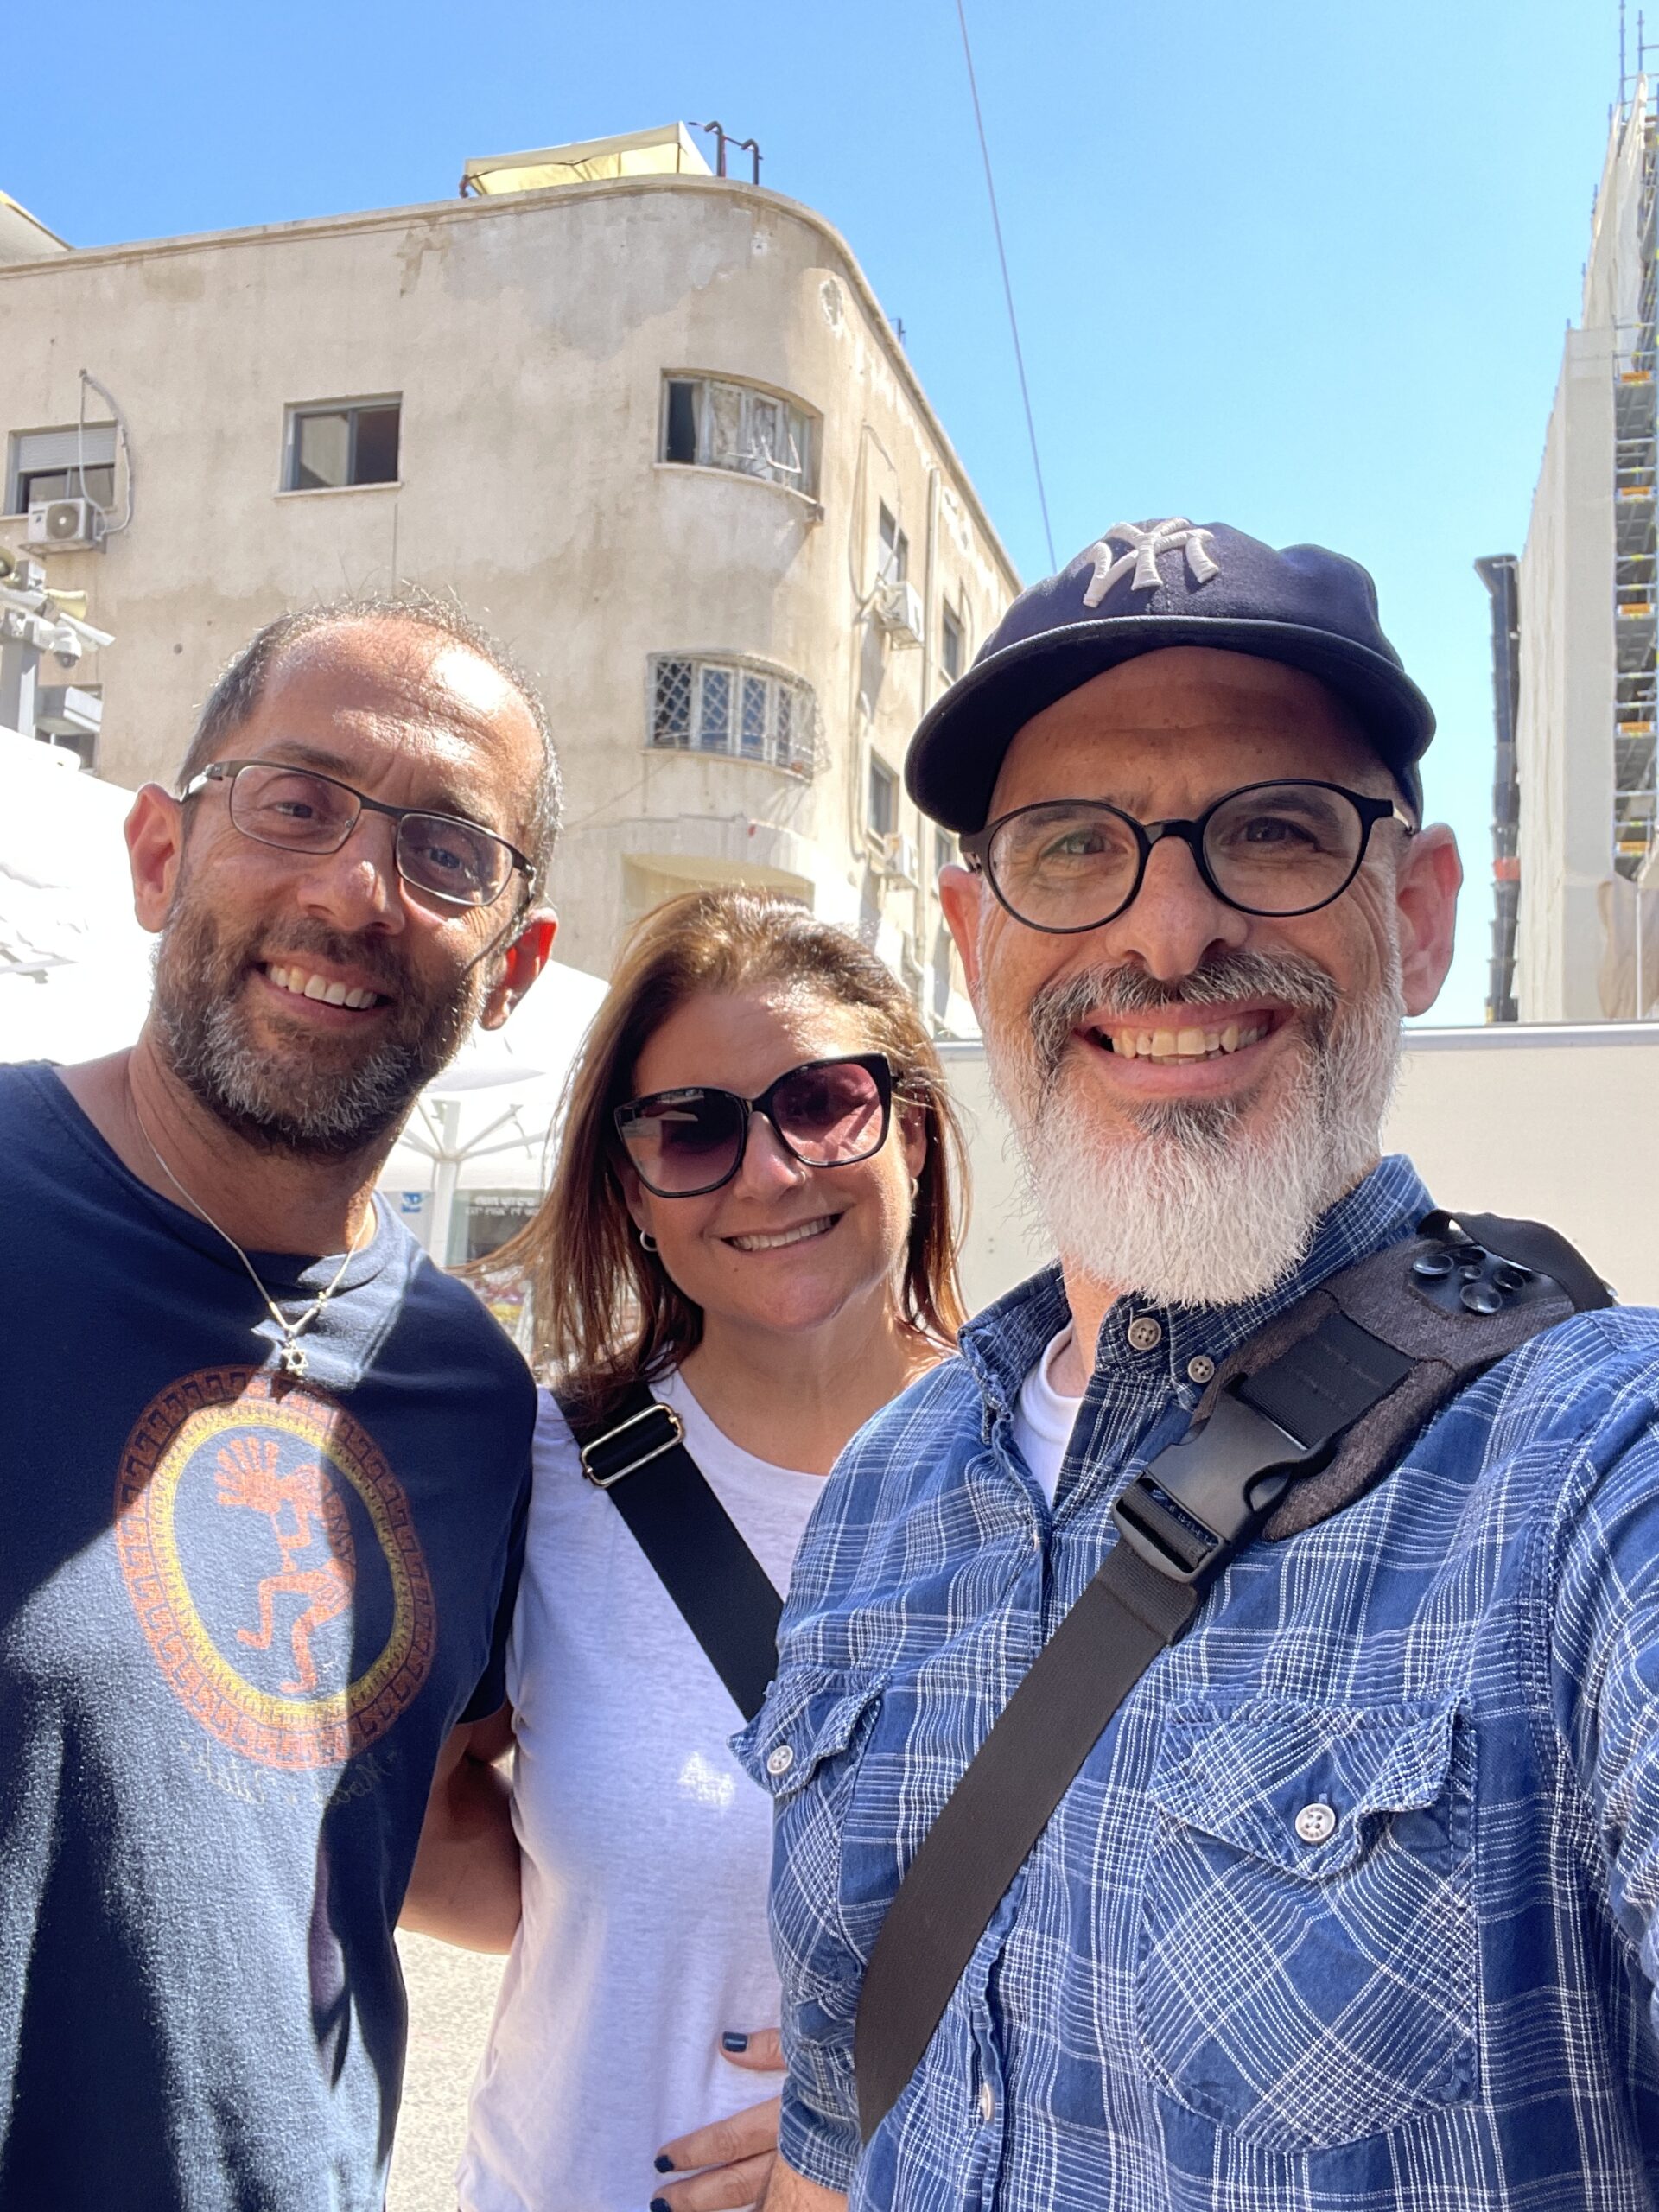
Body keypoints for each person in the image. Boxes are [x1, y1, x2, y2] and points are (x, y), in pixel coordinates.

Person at [743, 518, 1659, 2210]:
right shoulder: (886, 1491)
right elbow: (848, 2124)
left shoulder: (1590, 1462)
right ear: (971, 930)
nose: (1167, 933)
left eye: (1275, 832)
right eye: (1072, 847)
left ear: (1423, 911)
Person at [0, 592, 561, 2211]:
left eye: (446, 852)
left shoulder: (468, 1392)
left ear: (513, 967)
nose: (353, 891)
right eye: (297, 803)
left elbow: (433, 1825)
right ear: (161, 853)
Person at [400, 888, 969, 2212]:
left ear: (916, 1129)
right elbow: (415, 1826)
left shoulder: (1066, 1480)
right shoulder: (532, 1472)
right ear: (633, 1189)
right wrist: (629, 1916)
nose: (770, 1171)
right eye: (693, 1129)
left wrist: (885, 2095)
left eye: (823, 1102)